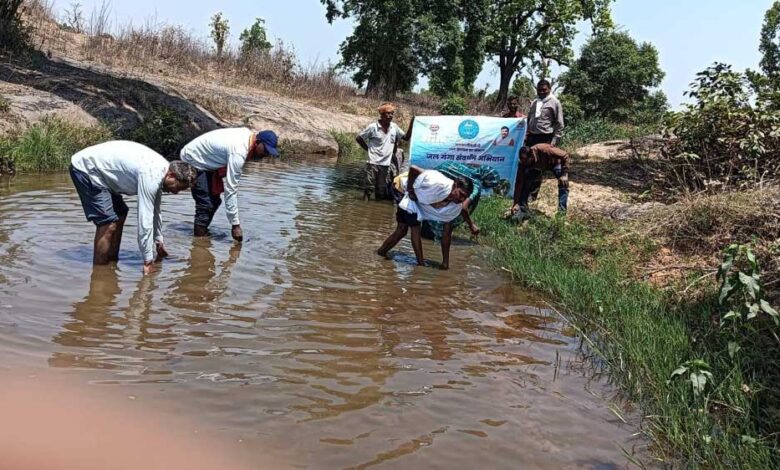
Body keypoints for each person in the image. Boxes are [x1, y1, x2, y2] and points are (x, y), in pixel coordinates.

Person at [69, 141, 196, 274]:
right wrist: (148, 259)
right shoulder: (151, 176)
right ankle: (100, 273)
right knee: (108, 223)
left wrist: (159, 241)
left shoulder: (163, 171)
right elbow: (144, 219)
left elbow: (155, 211)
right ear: (171, 175)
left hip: (103, 174)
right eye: (178, 187)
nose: (176, 192)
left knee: (121, 213)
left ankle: (112, 262)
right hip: (86, 169)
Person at [180, 128, 280, 242]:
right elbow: (231, 189)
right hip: (194, 158)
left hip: (206, 159)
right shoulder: (239, 151)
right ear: (257, 142)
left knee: (215, 201)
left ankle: (202, 233)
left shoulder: (247, 137)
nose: (265, 155)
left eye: (268, 153)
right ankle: (199, 243)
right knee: (205, 204)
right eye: (265, 150)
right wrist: (235, 225)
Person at [377, 166, 479, 270]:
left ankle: (380, 253)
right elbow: (413, 169)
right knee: (411, 228)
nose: (461, 199)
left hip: (418, 195)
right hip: (402, 187)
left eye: (464, 197)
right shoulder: (438, 183)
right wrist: (410, 189)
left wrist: (445, 263)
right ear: (455, 185)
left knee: (401, 231)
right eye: (460, 194)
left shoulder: (454, 206)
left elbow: (447, 234)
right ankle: (420, 265)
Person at [356, 103, 413, 200]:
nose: (390, 116)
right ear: (381, 115)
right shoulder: (373, 127)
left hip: (385, 165)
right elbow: (359, 138)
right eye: (388, 113)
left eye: (392, 114)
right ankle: (365, 207)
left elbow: (406, 138)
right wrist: (368, 149)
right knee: (369, 189)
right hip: (372, 163)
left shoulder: (394, 127)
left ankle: (376, 211)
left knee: (381, 190)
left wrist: (412, 123)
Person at [505, 143, 570, 220]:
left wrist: (564, 174)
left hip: (554, 163)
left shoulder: (544, 149)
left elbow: (565, 155)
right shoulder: (523, 163)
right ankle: (524, 210)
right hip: (538, 167)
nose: (525, 163)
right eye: (523, 161)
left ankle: (561, 214)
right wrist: (515, 203)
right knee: (525, 183)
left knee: (563, 183)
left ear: (532, 156)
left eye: (526, 161)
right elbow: (519, 182)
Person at [525, 80, 564, 147]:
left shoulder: (555, 102)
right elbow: (529, 119)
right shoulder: (534, 102)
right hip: (532, 138)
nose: (541, 92)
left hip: (545, 138)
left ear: (549, 89)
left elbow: (559, 123)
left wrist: (554, 141)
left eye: (544, 90)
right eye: (539, 90)